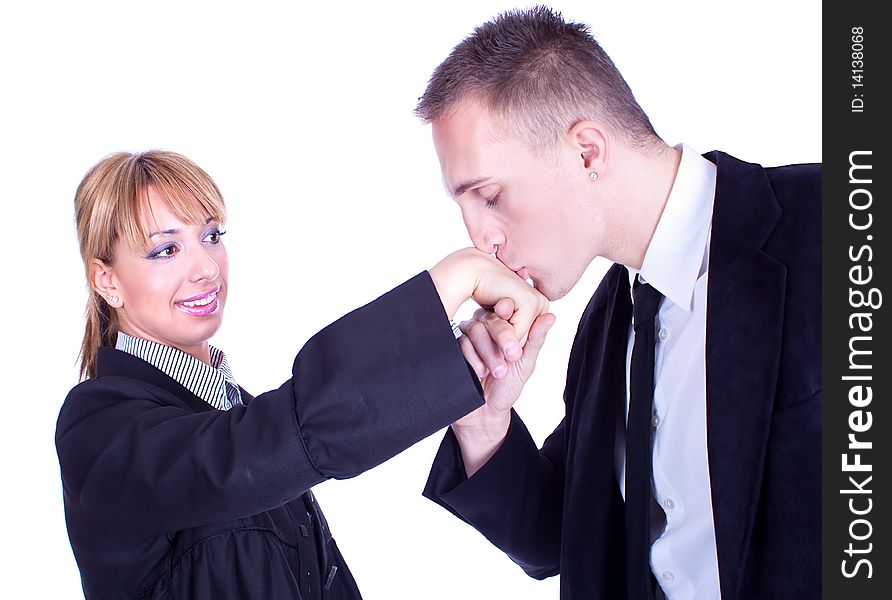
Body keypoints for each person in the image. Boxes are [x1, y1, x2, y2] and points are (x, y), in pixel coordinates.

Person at [415, 6, 820, 600]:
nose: (481, 240)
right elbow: (565, 535)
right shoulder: (609, 318)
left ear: (586, 152)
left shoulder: (829, 229)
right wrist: (484, 425)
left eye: (491, 197)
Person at [56, 150, 549, 599]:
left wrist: (476, 404)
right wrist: (455, 279)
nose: (206, 267)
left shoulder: (239, 412)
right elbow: (273, 443)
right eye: (165, 250)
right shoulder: (99, 426)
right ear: (108, 280)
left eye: (211, 236)